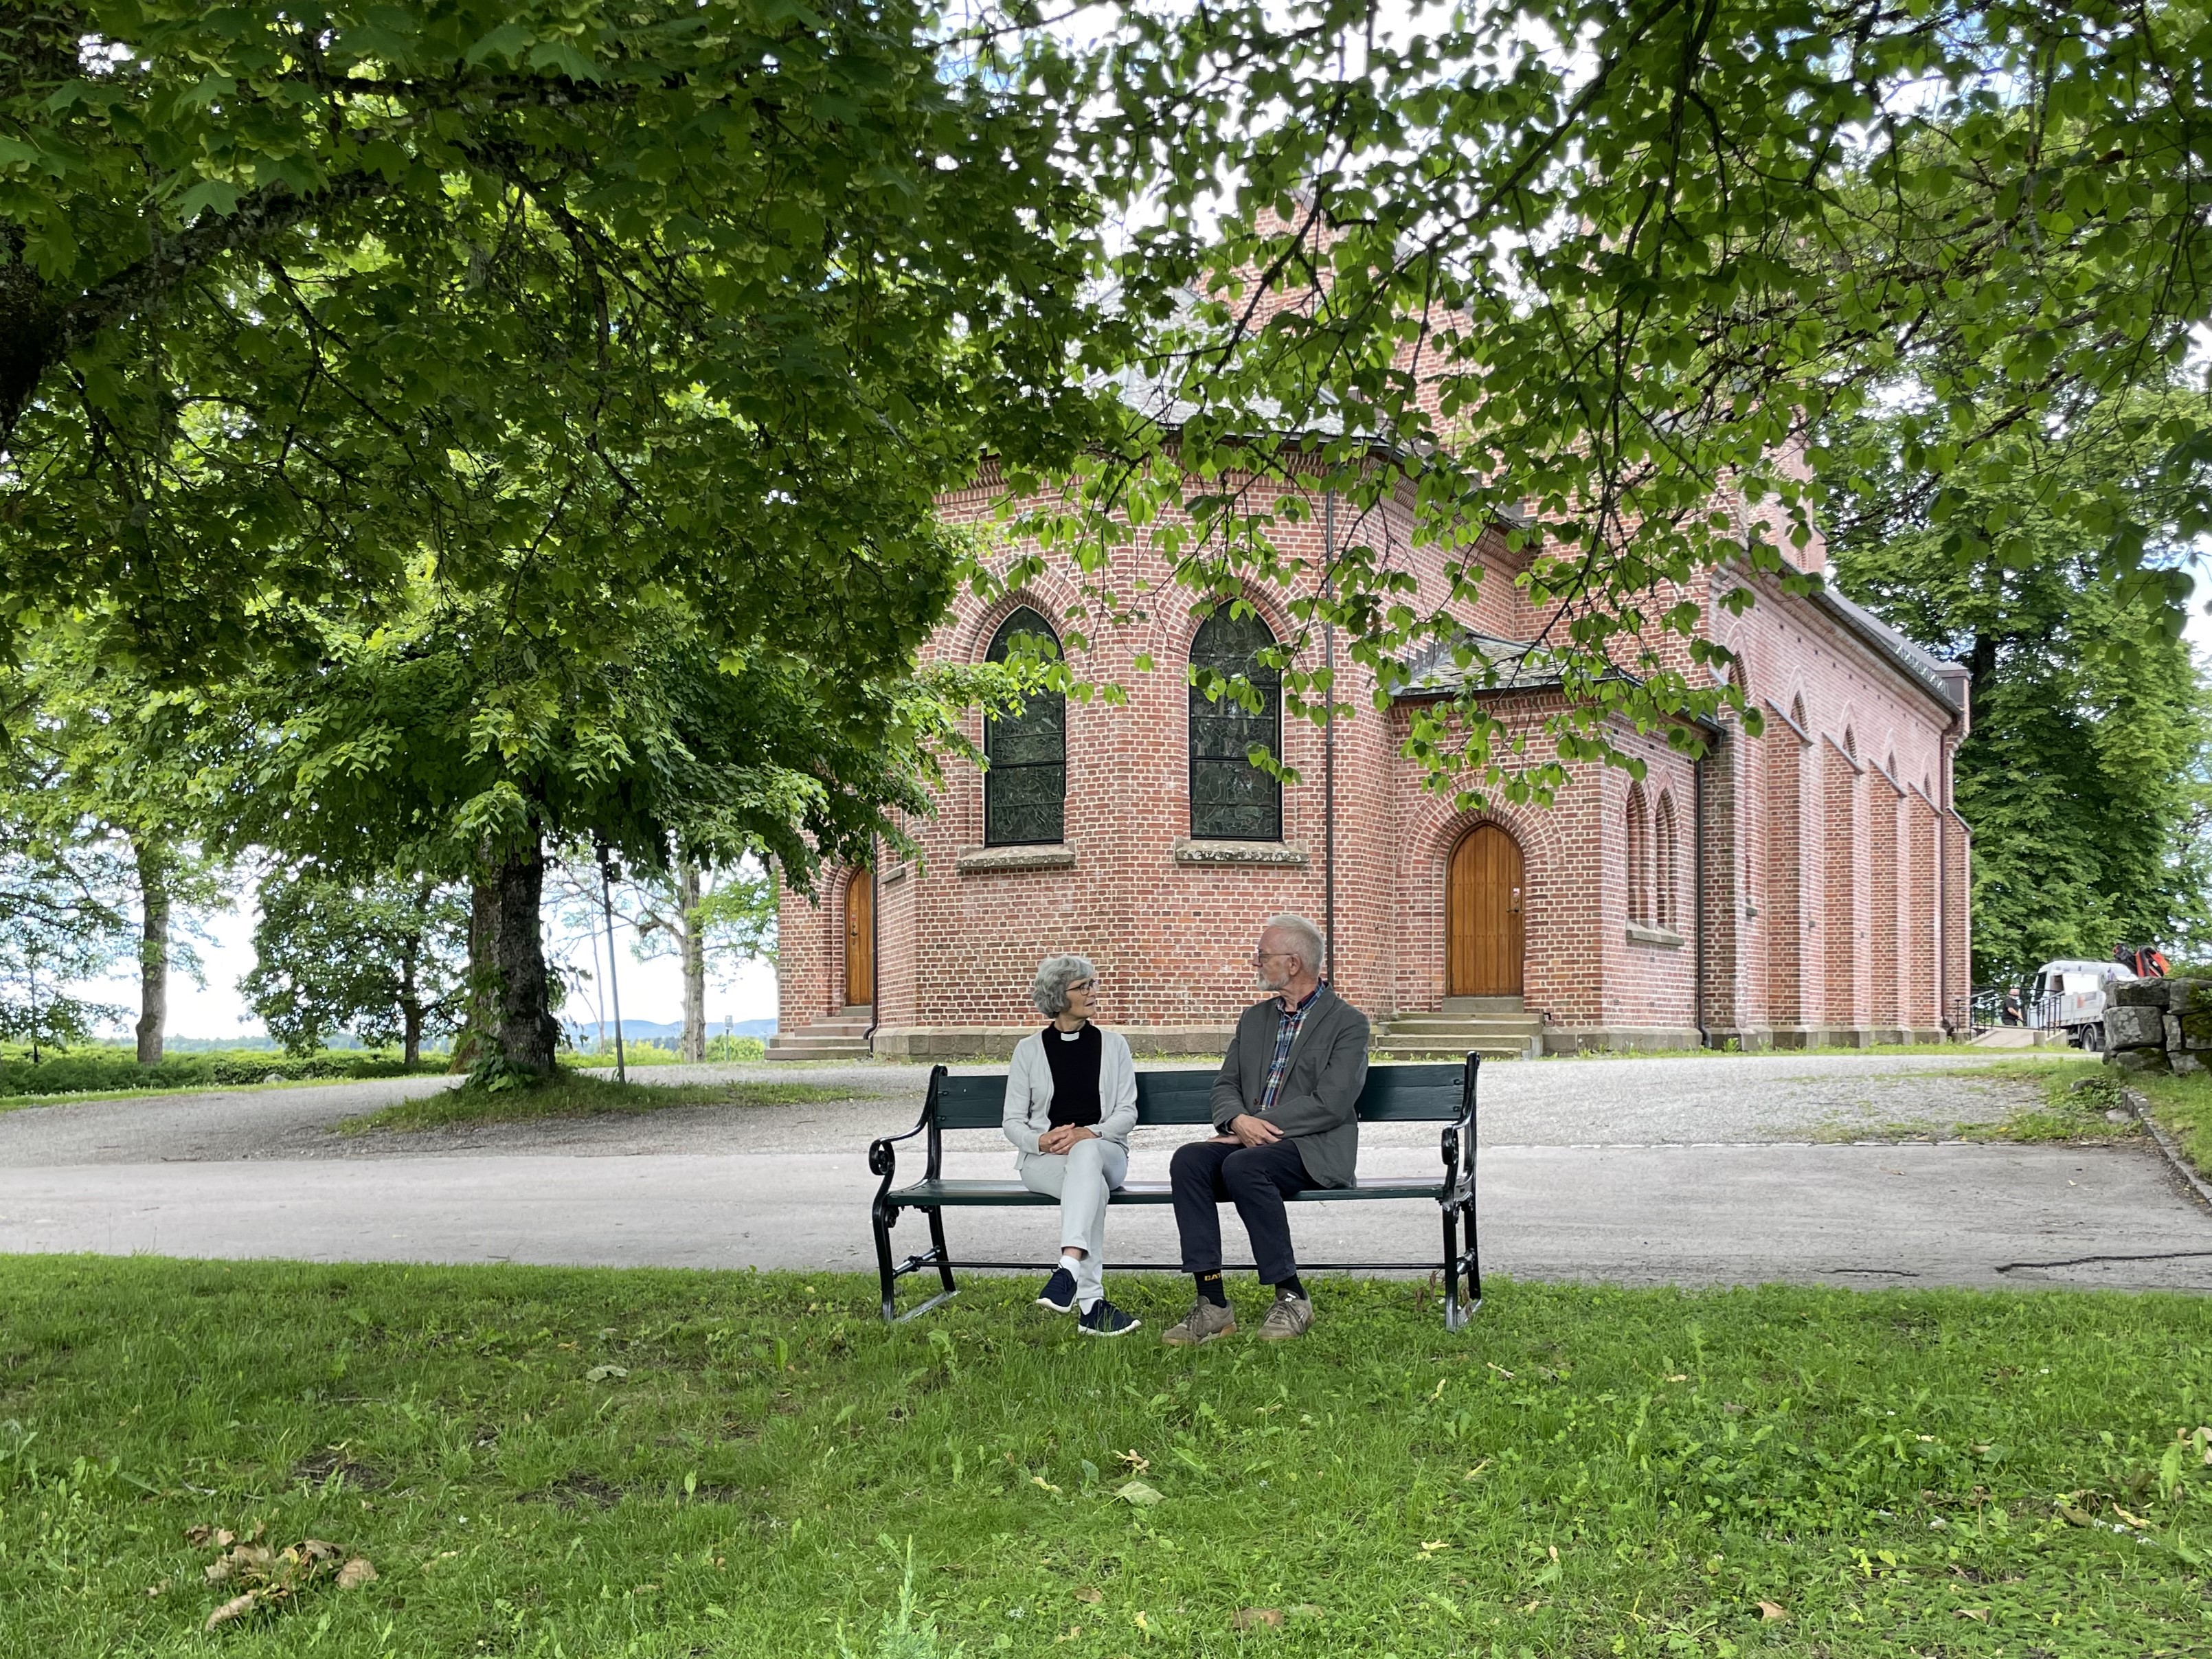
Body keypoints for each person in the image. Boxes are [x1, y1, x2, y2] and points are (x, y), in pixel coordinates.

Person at [1161, 913, 1368, 1346]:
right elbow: (1225, 1085)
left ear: (1293, 963)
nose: (1255, 962)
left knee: (1243, 1166)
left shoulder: (1347, 1023)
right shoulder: (1255, 1020)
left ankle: (1291, 1295)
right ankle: (1212, 1302)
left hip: (1313, 1146)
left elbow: (1332, 1103)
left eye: (1262, 955)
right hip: (1248, 1140)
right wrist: (1238, 1121)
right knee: (1190, 1160)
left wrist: (1258, 1127)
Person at [1002, 954, 1141, 1337]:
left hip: (1107, 1152)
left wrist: (1088, 1133)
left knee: (1086, 1154)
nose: (1094, 992)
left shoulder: (1115, 1046)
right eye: (1083, 987)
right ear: (1058, 997)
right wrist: (1040, 1139)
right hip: (1044, 1162)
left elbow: (1127, 1114)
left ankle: (1067, 1268)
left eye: (1093, 983)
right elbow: (1012, 1122)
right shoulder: (1028, 1051)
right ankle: (1091, 1304)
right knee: (1090, 1188)